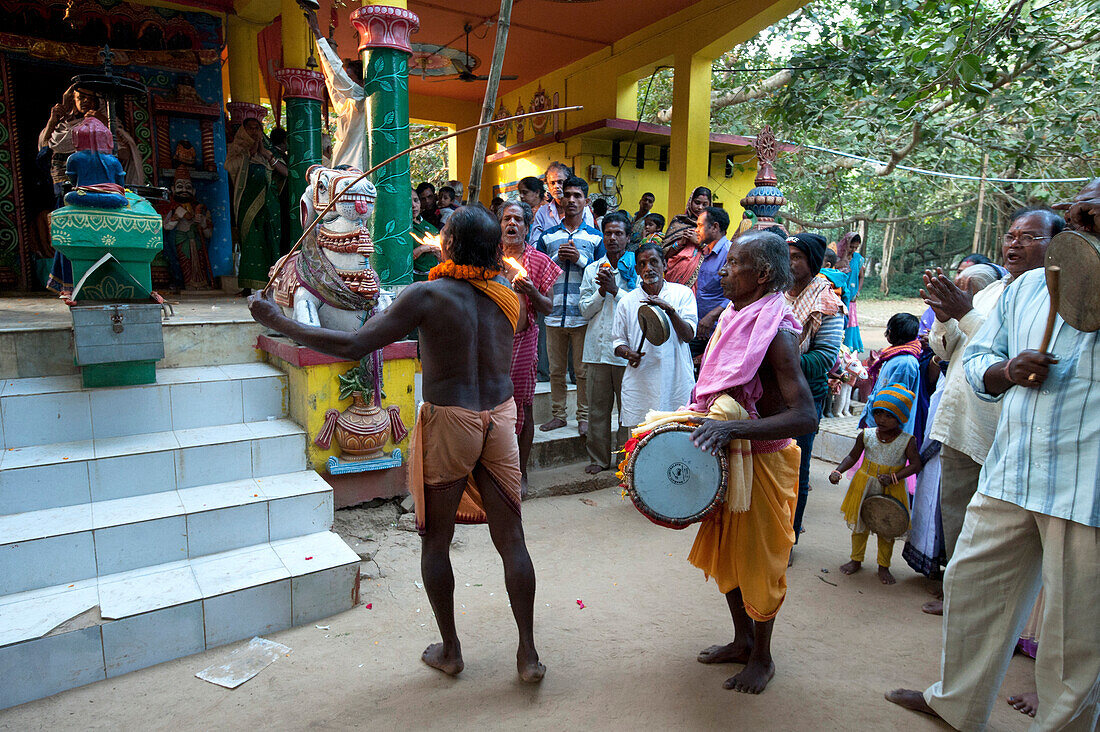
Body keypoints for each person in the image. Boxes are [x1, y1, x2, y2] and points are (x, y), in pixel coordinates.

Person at [247, 205, 545, 684]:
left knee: (436, 540)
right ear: (493, 251)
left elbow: (351, 346)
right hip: (501, 417)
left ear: (447, 246)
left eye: (441, 234)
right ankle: (528, 655)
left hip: (452, 421)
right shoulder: (507, 293)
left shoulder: (425, 295)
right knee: (512, 541)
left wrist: (275, 319)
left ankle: (450, 651)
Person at [886, 186, 1099, 732]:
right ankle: (956, 702)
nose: (1081, 215)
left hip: (1087, 488)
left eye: (1095, 209)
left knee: (1075, 630)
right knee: (972, 585)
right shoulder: (1026, 288)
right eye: (1077, 206)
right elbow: (980, 356)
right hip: (1011, 469)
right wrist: (1006, 372)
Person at [682, 230, 816, 694]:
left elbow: (804, 416)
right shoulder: (735, 317)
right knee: (731, 556)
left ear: (761, 274)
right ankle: (741, 640)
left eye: (733, 263)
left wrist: (732, 428)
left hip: (765, 463)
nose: (723, 269)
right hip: (733, 457)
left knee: (759, 563)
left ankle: (763, 656)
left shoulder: (777, 332)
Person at [919, 209, 1064, 616]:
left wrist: (964, 312)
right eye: (1011, 235)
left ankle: (998, 610)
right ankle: (955, 593)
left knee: (996, 533)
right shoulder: (991, 291)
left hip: (1001, 433)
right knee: (957, 516)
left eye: (1029, 237)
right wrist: (946, 318)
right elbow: (947, 352)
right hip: (959, 423)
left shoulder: (1056, 297)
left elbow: (1018, 360)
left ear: (1059, 244)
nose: (1014, 243)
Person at [784, 233, 844, 546]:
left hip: (804, 397)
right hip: (769, 393)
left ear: (813, 263)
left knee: (797, 467)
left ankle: (789, 536)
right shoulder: (775, 293)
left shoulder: (828, 303)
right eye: (787, 255)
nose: (790, 262)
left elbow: (824, 358)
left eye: (797, 257)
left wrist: (781, 361)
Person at [831, 385, 923, 585]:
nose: (881, 419)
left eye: (889, 415)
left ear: (900, 417)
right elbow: (852, 456)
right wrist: (838, 470)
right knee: (860, 525)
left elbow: (916, 464)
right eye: (878, 413)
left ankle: (884, 565)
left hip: (891, 487)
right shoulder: (866, 435)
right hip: (864, 485)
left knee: (886, 527)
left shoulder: (907, 441)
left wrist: (894, 477)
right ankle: (856, 559)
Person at [499, 201, 560, 496]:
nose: (512, 224)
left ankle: (522, 474)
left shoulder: (537, 260)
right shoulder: (488, 258)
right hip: (491, 345)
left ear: (526, 227)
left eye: (518, 220)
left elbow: (548, 307)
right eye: (507, 219)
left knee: (523, 408)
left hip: (522, 342)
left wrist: (531, 291)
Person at [537, 176, 603, 436]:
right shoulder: (548, 236)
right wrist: (557, 257)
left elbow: (602, 274)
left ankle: (583, 417)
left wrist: (580, 259)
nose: (572, 200)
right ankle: (558, 416)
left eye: (578, 196)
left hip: (582, 315)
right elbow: (540, 272)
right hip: (554, 314)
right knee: (555, 371)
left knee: (582, 371)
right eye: (568, 195)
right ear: (560, 200)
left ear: (586, 201)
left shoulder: (596, 238)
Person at [611, 242, 697, 428]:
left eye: (653, 262)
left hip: (676, 381)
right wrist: (628, 353)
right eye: (642, 264)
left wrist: (669, 310)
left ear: (664, 265)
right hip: (640, 383)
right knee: (639, 441)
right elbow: (618, 342)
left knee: (676, 436)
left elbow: (689, 335)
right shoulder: (627, 302)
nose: (648, 268)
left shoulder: (682, 294)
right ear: (636, 269)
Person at [579, 211, 636, 473]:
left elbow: (640, 308)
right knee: (598, 411)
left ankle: (627, 461)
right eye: (608, 233)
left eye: (618, 234)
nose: (613, 238)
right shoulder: (592, 269)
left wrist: (616, 290)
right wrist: (601, 292)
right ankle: (599, 460)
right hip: (597, 350)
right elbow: (584, 310)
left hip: (626, 351)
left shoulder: (637, 268)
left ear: (627, 237)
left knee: (628, 412)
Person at [225, 116, 287, 294]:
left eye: (257, 128)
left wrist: (267, 155)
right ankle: (247, 286)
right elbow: (229, 167)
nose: (254, 132)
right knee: (249, 239)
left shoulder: (270, 150)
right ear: (243, 131)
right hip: (247, 203)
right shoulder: (237, 149)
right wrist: (250, 154)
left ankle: (273, 285)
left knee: (271, 239)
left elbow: (286, 172)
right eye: (250, 128)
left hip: (270, 204)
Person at [670, 206, 734, 367]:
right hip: (697, 327)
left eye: (699, 225)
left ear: (715, 227)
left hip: (718, 329)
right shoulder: (702, 252)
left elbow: (737, 292)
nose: (696, 230)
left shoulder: (730, 253)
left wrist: (712, 315)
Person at [307, 9, 367, 171]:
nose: (346, 80)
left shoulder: (361, 97)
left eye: (350, 77)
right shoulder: (347, 104)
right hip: (341, 168)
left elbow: (337, 77)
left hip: (356, 170)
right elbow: (333, 81)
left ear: (361, 81)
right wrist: (328, 50)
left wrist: (318, 33)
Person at [859, 313, 921, 435]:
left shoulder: (905, 363)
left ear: (891, 332)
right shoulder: (894, 356)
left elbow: (895, 403)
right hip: (878, 424)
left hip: (887, 432)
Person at [530, 162, 594, 245]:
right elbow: (535, 243)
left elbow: (590, 239)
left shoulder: (583, 209)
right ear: (548, 187)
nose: (556, 186)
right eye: (552, 183)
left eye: (560, 182)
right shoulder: (542, 212)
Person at [836, 232, 866, 352]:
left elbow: (861, 276)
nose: (853, 250)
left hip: (852, 298)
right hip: (839, 297)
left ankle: (849, 347)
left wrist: (858, 291)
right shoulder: (838, 258)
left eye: (855, 247)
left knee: (850, 321)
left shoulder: (858, 259)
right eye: (851, 246)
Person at [662, 185, 711, 253]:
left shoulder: (713, 227)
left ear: (710, 205)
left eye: (705, 205)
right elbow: (664, 253)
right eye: (697, 203)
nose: (700, 207)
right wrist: (680, 242)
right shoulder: (679, 221)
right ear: (690, 202)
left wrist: (699, 242)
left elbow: (717, 255)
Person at [410, 190, 441, 282]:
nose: (413, 205)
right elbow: (401, 261)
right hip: (415, 281)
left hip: (434, 277)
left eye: (416, 200)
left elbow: (441, 255)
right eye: (409, 202)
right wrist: (422, 249)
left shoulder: (429, 227)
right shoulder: (402, 230)